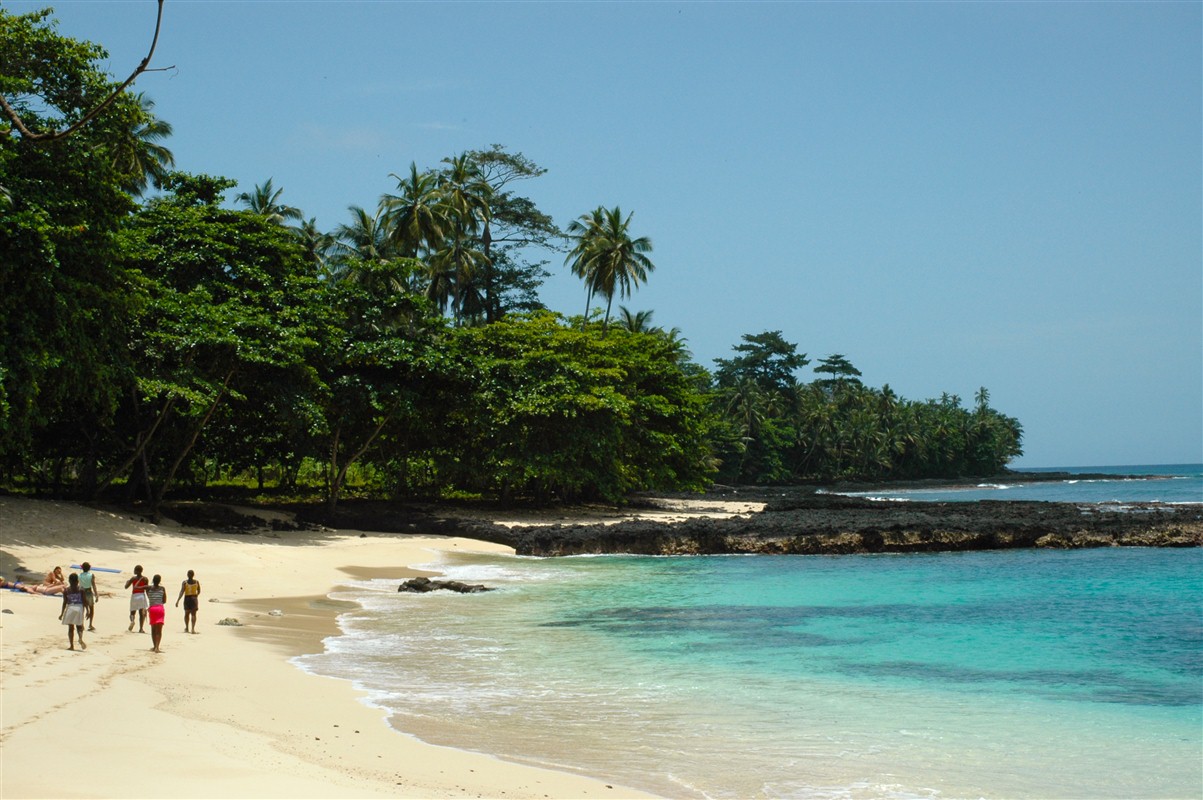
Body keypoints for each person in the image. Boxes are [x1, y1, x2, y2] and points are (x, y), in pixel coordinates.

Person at [59, 573, 87, 650]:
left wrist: (61, 614)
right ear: (77, 581)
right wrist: (87, 610)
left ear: (69, 581)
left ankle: (71, 645)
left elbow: (64, 602)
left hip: (70, 608)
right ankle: (80, 637)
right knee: (79, 626)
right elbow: (85, 601)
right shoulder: (81, 589)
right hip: (79, 608)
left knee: (70, 628)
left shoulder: (66, 590)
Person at [144, 574, 168, 653]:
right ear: (160, 581)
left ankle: (154, 646)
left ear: (153, 580)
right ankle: (157, 647)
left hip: (152, 609)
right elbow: (164, 601)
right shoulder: (162, 588)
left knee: (153, 629)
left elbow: (137, 588)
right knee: (159, 630)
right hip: (160, 609)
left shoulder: (149, 588)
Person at [175, 569, 201, 633]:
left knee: (187, 613)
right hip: (194, 598)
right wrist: (196, 595)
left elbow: (182, 591)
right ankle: (192, 629)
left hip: (187, 598)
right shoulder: (196, 582)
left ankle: (187, 628)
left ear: (187, 575)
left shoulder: (185, 582)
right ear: (193, 575)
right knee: (193, 614)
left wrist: (178, 600)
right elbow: (199, 591)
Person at [125, 565, 149, 633]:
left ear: (137, 571)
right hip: (141, 596)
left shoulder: (133, 578)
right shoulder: (145, 579)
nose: (134, 571)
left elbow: (126, 587)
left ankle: (132, 621)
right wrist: (148, 597)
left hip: (134, 596)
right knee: (141, 613)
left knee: (132, 612)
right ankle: (141, 628)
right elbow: (146, 589)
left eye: (135, 570)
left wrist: (127, 582)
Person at [78, 561, 98, 632]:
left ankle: (82, 624)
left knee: (82, 609)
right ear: (89, 568)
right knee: (91, 608)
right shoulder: (91, 575)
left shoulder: (79, 575)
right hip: (89, 592)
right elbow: (93, 585)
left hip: (81, 593)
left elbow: (78, 585)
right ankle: (90, 624)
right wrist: (96, 594)